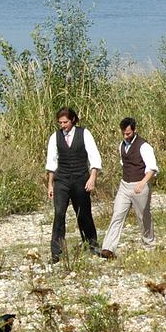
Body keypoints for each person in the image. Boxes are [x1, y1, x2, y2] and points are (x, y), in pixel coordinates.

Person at [45, 107, 102, 261]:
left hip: (80, 178)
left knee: (83, 213)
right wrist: (50, 185)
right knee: (59, 214)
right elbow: (51, 162)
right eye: (60, 122)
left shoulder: (84, 134)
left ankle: (92, 245)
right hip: (62, 180)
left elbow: (94, 156)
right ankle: (56, 252)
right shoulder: (54, 137)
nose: (63, 125)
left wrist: (92, 178)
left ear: (73, 120)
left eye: (65, 122)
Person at [99, 117, 158, 259]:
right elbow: (124, 163)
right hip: (125, 185)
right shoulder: (121, 145)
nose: (126, 136)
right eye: (124, 133)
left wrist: (143, 183)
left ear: (134, 130)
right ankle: (108, 248)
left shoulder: (144, 146)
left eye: (128, 134)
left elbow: (152, 168)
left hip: (140, 185)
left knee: (143, 216)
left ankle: (149, 244)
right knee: (117, 214)